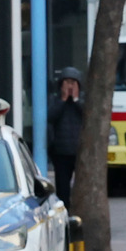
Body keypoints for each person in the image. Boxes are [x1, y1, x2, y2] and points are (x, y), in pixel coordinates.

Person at [50, 68, 85, 210]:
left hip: (79, 151)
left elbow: (87, 115)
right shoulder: (55, 100)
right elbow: (50, 116)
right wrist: (63, 100)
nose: (70, 86)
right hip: (61, 151)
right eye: (67, 83)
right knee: (62, 187)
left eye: (73, 83)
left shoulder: (83, 100)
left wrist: (76, 100)